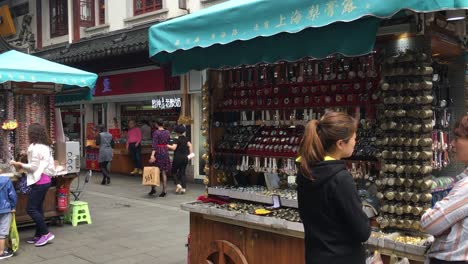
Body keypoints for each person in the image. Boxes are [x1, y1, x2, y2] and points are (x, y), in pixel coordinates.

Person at [296, 111, 371, 264]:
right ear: (340, 143)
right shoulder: (340, 179)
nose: (355, 143)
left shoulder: (306, 171)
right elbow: (362, 231)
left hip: (315, 257)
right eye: (354, 139)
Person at [421, 115, 468, 264]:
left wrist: (442, 226)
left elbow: (429, 222)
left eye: (458, 137)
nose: (452, 144)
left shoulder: (466, 188)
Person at [10, 123, 56, 247]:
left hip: (39, 181)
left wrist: (19, 164)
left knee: (31, 209)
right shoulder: (45, 146)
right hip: (45, 180)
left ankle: (46, 234)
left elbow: (34, 167)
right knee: (38, 208)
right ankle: (38, 235)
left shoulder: (35, 147)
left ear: (32, 134)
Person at [168, 125, 194, 194]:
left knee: (173, 171)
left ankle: (178, 184)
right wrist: (190, 154)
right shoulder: (186, 138)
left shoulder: (176, 139)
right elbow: (190, 146)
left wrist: (166, 145)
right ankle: (184, 188)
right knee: (182, 173)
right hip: (185, 158)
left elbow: (174, 148)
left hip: (177, 158)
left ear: (176, 131)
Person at [149, 119, 171, 197]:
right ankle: (164, 190)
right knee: (163, 172)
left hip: (158, 152)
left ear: (156, 124)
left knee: (155, 170)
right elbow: (168, 141)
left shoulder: (156, 133)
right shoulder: (167, 132)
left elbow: (154, 145)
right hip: (165, 151)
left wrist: (152, 155)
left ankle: (153, 188)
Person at [0, 175, 16, 259]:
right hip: (5, 209)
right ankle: (1, 253)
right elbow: (12, 195)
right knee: (2, 232)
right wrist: (13, 207)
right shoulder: (6, 180)